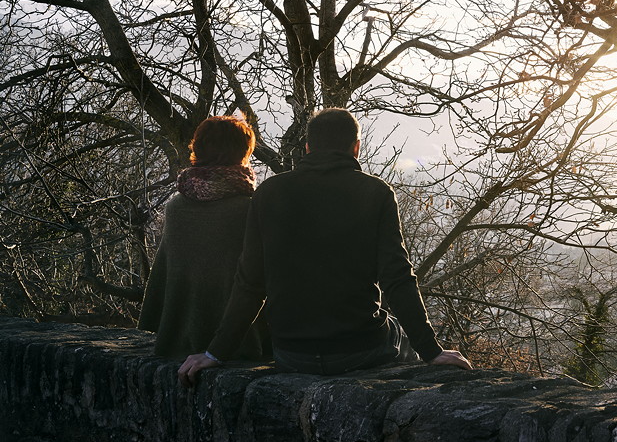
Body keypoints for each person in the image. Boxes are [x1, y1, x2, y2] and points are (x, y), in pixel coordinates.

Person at [178, 108, 470, 385]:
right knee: (397, 332)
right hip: (360, 349)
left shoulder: (269, 193)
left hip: (292, 353)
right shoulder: (376, 193)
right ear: (356, 147)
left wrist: (215, 352)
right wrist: (431, 350)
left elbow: (250, 284)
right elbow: (397, 278)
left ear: (307, 147)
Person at [139, 116, 270, 360]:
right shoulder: (249, 209)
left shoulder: (176, 206)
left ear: (198, 149)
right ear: (243, 153)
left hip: (176, 341)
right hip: (240, 343)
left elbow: (165, 278)